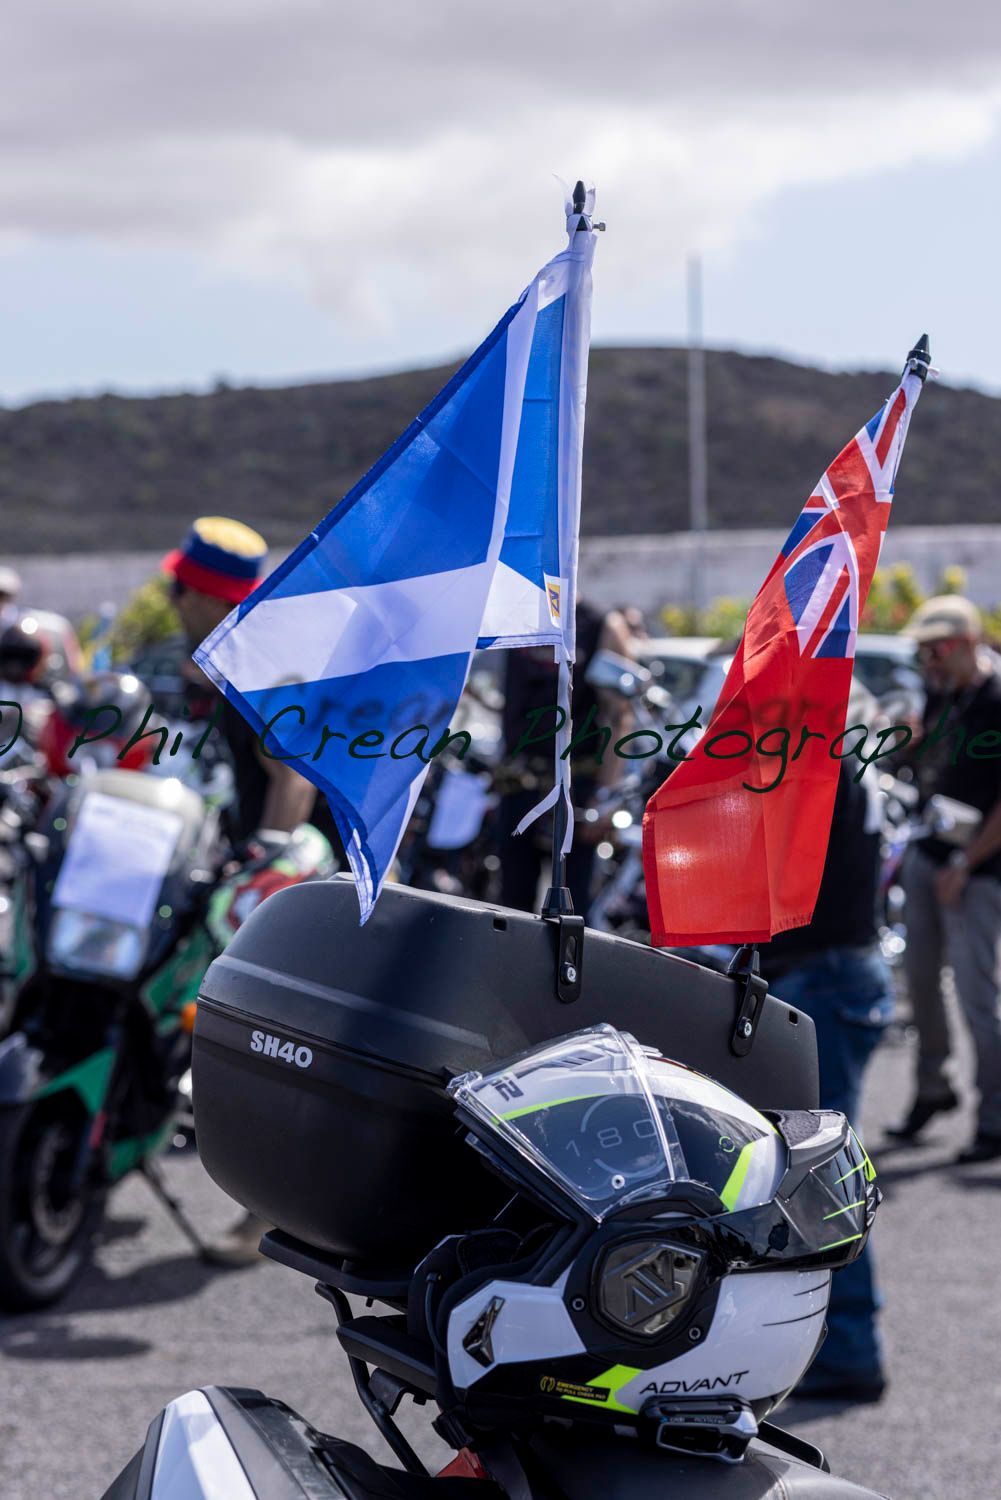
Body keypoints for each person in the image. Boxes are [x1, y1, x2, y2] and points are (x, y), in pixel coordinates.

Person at [162, 516, 335, 1266]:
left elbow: (291, 779)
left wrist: (267, 866)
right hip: (269, 869)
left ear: (206, 596)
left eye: (181, 588)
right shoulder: (233, 657)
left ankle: (262, 1210)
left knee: (267, 1042)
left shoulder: (264, 663)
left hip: (304, 880)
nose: (171, 600)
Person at [758, 684, 891, 1404]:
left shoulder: (818, 764)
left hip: (826, 974)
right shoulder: (844, 759)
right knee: (823, 1165)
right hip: (843, 971)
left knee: (823, 1173)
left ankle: (849, 1348)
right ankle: (834, 1344)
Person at [888, 595, 1001, 1163]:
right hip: (930, 853)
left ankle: (995, 1116)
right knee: (920, 982)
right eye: (925, 651)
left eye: (938, 648)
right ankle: (933, 1088)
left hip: (978, 869)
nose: (929, 660)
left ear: (968, 642)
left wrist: (967, 863)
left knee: (978, 995)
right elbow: (923, 771)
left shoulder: (996, 698)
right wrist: (907, 745)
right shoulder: (941, 695)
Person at [495, 601, 634, 916]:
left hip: (575, 789)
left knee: (572, 911)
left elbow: (619, 716)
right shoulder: (514, 613)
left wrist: (605, 796)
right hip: (518, 784)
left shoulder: (601, 625)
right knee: (509, 908)